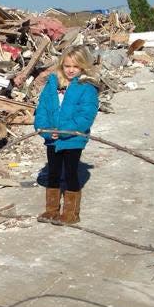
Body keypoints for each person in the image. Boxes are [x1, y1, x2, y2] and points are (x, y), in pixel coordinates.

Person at [33, 45, 100, 224]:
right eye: (67, 66)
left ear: (83, 67)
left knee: (70, 173)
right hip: (52, 138)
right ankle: (51, 210)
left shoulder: (87, 87)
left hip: (73, 138)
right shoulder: (53, 84)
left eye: (75, 67)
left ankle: (71, 213)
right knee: (53, 173)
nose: (71, 70)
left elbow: (86, 116)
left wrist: (65, 132)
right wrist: (45, 130)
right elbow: (42, 109)